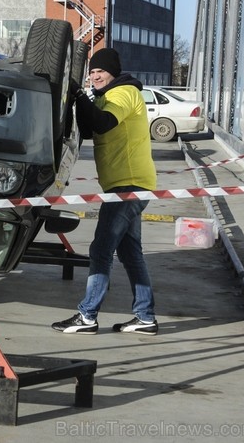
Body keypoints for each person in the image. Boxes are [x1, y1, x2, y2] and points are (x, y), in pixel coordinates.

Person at [51, 48, 158, 336]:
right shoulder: (104, 96)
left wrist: (81, 96)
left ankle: (87, 316)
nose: (95, 75)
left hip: (129, 186)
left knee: (100, 249)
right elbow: (88, 127)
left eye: (100, 71)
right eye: (92, 72)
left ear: (113, 72)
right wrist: (78, 98)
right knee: (130, 252)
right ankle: (145, 318)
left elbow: (104, 122)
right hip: (124, 185)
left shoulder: (123, 93)